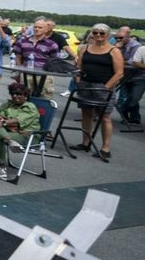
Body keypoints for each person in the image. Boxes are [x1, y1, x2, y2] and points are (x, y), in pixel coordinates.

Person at [71, 24, 124, 162]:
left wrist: (106, 87)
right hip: (85, 85)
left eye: (102, 33)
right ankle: (85, 142)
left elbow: (119, 73)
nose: (98, 36)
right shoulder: (85, 48)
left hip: (102, 86)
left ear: (108, 35)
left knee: (105, 116)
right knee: (86, 113)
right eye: (95, 33)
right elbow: (78, 66)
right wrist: (78, 81)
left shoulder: (114, 51)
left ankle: (105, 148)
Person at [0, 82, 40, 179]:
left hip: (27, 135)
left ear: (25, 96)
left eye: (18, 94)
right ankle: (9, 141)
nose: (14, 96)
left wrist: (3, 122)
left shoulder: (30, 107)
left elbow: (18, 120)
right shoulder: (8, 104)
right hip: (8, 133)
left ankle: (1, 168)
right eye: (12, 93)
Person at [11, 19, 60, 97]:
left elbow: (55, 61)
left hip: (44, 77)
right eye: (35, 27)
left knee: (44, 101)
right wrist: (19, 71)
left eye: (40, 27)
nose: (37, 29)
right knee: (23, 98)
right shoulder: (22, 41)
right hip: (26, 76)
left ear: (46, 29)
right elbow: (18, 57)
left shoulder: (52, 44)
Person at [113, 26, 143, 125]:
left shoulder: (135, 46)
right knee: (130, 97)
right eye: (116, 37)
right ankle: (134, 118)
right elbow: (111, 58)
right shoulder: (116, 45)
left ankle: (121, 110)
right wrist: (117, 49)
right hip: (125, 75)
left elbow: (132, 62)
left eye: (121, 38)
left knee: (134, 98)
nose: (118, 40)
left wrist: (119, 60)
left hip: (138, 76)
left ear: (128, 37)